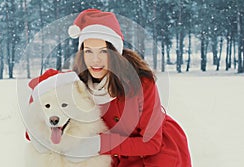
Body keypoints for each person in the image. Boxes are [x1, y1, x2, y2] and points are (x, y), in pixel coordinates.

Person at [67, 8, 192, 166]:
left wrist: (100, 144)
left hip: (159, 151)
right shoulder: (77, 83)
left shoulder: (141, 83)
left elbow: (151, 143)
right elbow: (41, 122)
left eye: (103, 52)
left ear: (115, 52)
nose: (95, 60)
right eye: (88, 51)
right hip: (115, 155)